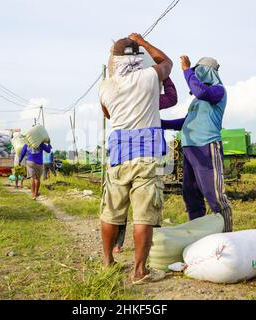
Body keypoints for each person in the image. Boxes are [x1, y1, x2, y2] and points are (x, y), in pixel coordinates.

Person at [99, 33, 173, 284]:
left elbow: (108, 113)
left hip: (119, 154)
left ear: (115, 60)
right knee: (144, 215)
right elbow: (167, 62)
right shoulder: (150, 76)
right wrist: (143, 41)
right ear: (138, 58)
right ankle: (139, 272)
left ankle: (108, 262)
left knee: (112, 212)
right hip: (147, 155)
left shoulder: (106, 86)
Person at [161, 56, 233, 232]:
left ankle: (227, 235)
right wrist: (161, 123)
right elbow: (187, 122)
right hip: (190, 151)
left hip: (207, 148)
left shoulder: (217, 91)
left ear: (208, 72)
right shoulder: (196, 101)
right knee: (191, 195)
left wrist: (186, 70)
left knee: (214, 195)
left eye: (198, 70)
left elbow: (201, 91)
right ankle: (198, 233)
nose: (195, 74)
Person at [113, 75, 178, 254]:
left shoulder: (118, 97)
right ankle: (150, 248)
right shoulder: (149, 100)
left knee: (121, 204)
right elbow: (172, 98)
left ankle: (117, 245)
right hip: (147, 154)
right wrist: (165, 76)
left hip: (121, 152)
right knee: (148, 204)